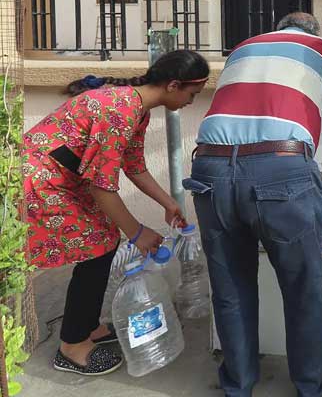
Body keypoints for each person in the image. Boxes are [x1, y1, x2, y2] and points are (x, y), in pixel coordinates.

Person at [186, 12, 322, 397]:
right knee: (304, 286)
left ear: (279, 27)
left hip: (210, 169)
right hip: (280, 171)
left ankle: (238, 384)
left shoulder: (243, 49)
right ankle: (315, 382)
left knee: (230, 286)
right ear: (313, 32)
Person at [23, 50, 209, 376]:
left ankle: (87, 325)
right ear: (173, 85)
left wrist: (168, 203)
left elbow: (134, 167)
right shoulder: (120, 111)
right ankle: (73, 346)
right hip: (42, 181)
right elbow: (101, 187)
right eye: (192, 94)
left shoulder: (138, 110)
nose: (192, 102)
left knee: (105, 238)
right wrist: (137, 233)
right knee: (100, 243)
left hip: (63, 178)